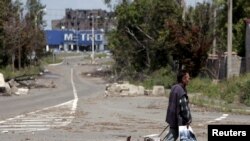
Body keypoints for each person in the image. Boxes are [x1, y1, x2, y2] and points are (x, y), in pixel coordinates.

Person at [164, 69, 192, 141]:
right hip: (180, 122)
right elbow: (184, 109)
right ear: (183, 79)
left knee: (172, 136)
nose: (189, 79)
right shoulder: (181, 91)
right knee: (186, 139)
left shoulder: (174, 88)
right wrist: (188, 119)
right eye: (188, 78)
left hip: (173, 120)